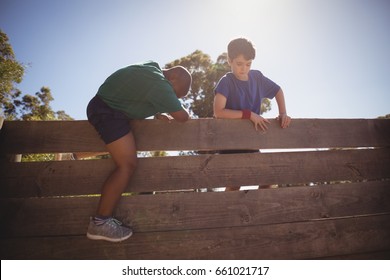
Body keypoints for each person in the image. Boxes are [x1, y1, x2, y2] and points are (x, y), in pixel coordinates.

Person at [86, 61, 192, 242]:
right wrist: (171, 104)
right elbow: (183, 117)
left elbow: (141, 94)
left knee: (126, 160)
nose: (173, 99)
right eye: (176, 95)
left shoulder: (152, 68)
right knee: (127, 165)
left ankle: (100, 220)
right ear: (173, 79)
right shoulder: (160, 83)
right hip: (108, 113)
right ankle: (100, 223)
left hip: (108, 109)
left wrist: (158, 111)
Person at [213, 38, 291, 191]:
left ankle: (260, 211)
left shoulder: (257, 78)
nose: (244, 69)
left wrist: (283, 113)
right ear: (229, 60)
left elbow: (278, 91)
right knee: (234, 185)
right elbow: (218, 112)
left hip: (252, 140)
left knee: (268, 180)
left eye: (248, 64)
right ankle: (227, 212)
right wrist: (248, 115)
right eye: (239, 64)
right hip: (230, 143)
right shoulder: (226, 82)